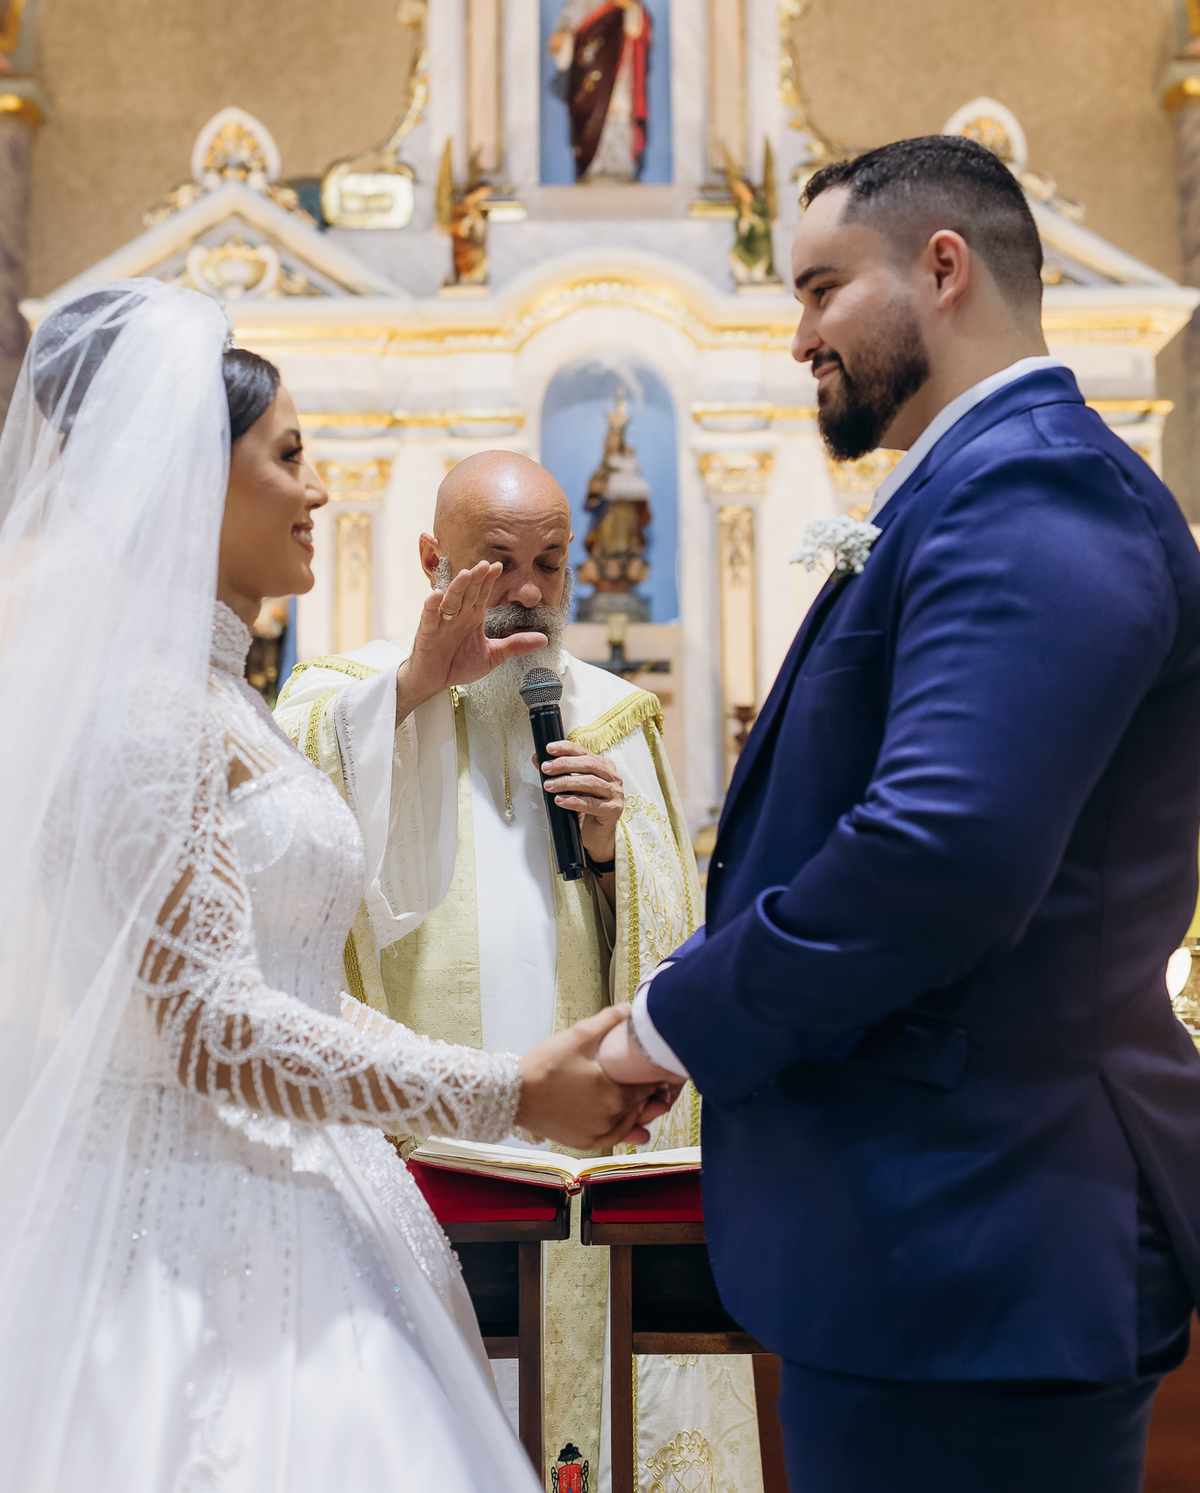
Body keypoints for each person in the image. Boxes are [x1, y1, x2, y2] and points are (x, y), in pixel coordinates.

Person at [600, 134, 1200, 1492]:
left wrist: (668, 1023)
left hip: (984, 1235)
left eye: (821, 288)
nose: (799, 334)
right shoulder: (975, 483)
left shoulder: (1033, 487)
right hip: (930, 1244)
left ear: (943, 269)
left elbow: (941, 851)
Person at [0, 280, 667, 1492]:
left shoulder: (220, 701)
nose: (318, 490)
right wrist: (506, 1090)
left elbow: (285, 976)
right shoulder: (154, 707)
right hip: (190, 1232)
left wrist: (522, 1080)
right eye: (291, 455)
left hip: (295, 1189)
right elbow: (207, 1028)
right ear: (188, 475)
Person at [273, 453, 759, 1489]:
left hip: (570, 1165)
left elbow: (668, 938)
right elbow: (277, 867)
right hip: (412, 1151)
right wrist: (409, 690)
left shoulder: (613, 717)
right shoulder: (342, 700)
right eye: (499, 563)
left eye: (551, 562)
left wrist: (609, 852)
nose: (531, 591)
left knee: (571, 1428)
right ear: (431, 559)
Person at [548, 0, 650, 182]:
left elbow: (639, 30)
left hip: (618, 69)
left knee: (618, 114)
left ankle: (620, 169)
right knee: (589, 117)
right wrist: (561, 39)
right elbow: (568, 22)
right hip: (588, 70)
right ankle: (591, 169)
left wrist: (628, 6)